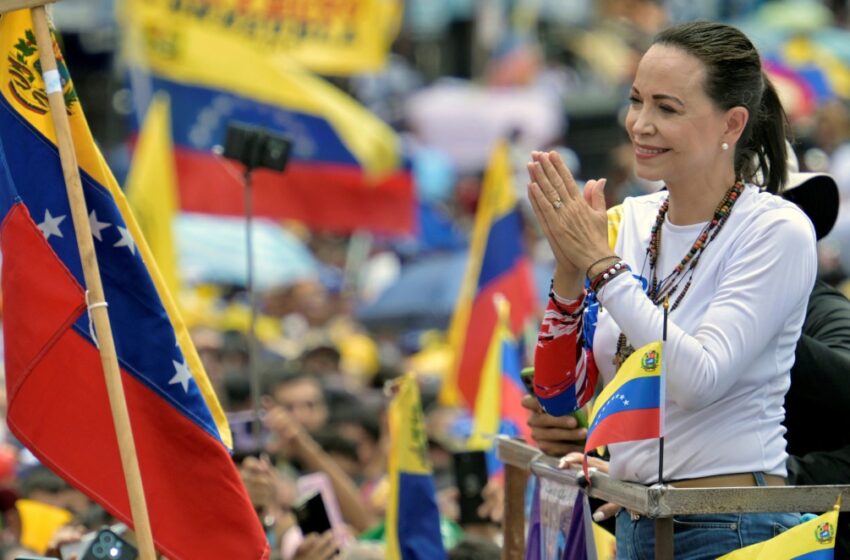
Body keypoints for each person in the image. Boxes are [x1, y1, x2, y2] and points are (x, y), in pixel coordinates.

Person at [526, 21, 817, 559]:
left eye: (667, 108)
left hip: (733, 528)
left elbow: (699, 379)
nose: (640, 124)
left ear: (732, 123)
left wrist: (602, 268)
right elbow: (561, 396)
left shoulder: (776, 229)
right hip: (639, 521)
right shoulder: (625, 221)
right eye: (636, 101)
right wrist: (569, 272)